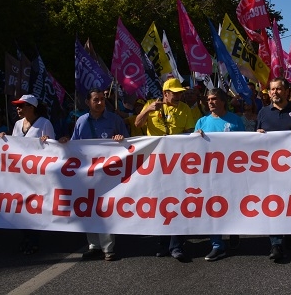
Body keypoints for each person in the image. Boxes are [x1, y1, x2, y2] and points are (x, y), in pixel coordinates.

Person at [134, 78, 195, 259]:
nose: (178, 96)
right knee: (160, 203)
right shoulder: (149, 105)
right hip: (155, 164)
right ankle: (163, 242)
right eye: (175, 93)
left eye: (180, 93)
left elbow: (188, 134)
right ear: (165, 94)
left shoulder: (184, 109)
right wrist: (147, 110)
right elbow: (137, 124)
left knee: (177, 202)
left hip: (177, 164)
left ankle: (176, 245)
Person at [68, 89, 128, 261]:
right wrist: (65, 142)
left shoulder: (115, 120)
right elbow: (74, 145)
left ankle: (108, 248)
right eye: (96, 99)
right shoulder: (81, 121)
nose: (100, 102)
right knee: (88, 207)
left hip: (108, 172)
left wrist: (120, 139)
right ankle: (93, 245)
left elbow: (129, 143)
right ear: (88, 102)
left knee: (104, 208)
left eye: (102, 99)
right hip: (87, 172)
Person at [256, 77, 291, 261]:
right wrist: (258, 136)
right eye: (272, 89)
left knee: (290, 203)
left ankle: (289, 233)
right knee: (273, 203)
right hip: (270, 169)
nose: (274, 92)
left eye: (278, 89)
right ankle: (275, 243)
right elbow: (256, 139)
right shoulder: (263, 113)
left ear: (286, 91)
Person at [0, 94, 55, 254]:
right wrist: (3, 138)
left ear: (31, 108)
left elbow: (53, 148)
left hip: (37, 174)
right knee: (21, 208)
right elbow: (14, 145)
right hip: (20, 174)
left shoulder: (44, 123)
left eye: (22, 106)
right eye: (18, 106)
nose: (18, 109)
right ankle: (26, 236)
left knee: (33, 208)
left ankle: (34, 240)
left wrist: (47, 141)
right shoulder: (17, 124)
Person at [193, 88, 246, 261]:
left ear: (223, 101)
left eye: (214, 99)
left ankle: (233, 231)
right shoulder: (201, 121)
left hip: (232, 173)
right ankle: (217, 245)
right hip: (210, 173)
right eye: (208, 99)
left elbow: (246, 145)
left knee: (231, 204)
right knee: (213, 207)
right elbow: (193, 149)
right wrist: (195, 137)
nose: (210, 102)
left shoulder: (236, 121)